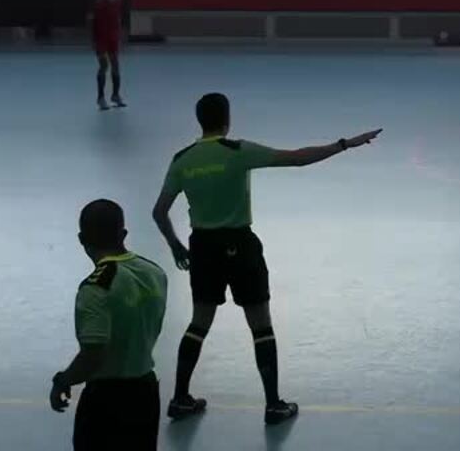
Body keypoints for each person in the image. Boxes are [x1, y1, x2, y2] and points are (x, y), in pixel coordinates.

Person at [151, 92, 382, 426]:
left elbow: (159, 211)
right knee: (260, 324)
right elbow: (297, 158)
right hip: (240, 245)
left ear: (199, 120)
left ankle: (179, 399)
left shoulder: (182, 159)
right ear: (226, 120)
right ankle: (274, 405)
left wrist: (175, 245)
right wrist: (345, 144)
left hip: (202, 246)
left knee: (199, 323)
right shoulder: (238, 151)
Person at [51, 199, 168, 451]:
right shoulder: (155, 272)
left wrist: (64, 380)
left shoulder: (95, 289)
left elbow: (93, 355)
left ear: (81, 239)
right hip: (146, 393)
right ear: (123, 233)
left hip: (108, 400)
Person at [88, 0, 125, 111]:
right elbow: (92, 23)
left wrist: (119, 34)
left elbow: (118, 19)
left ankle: (115, 95)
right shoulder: (99, 5)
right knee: (104, 65)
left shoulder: (118, 3)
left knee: (115, 65)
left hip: (113, 39)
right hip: (100, 39)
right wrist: (92, 40)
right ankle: (100, 98)